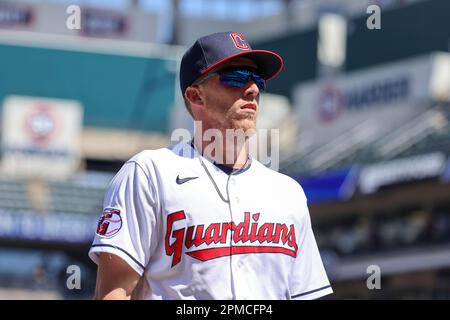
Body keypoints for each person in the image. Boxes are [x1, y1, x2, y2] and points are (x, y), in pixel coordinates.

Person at [89, 31, 333, 300]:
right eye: (236, 78)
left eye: (257, 81)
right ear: (195, 96)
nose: (252, 90)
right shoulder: (150, 174)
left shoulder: (288, 193)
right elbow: (114, 292)